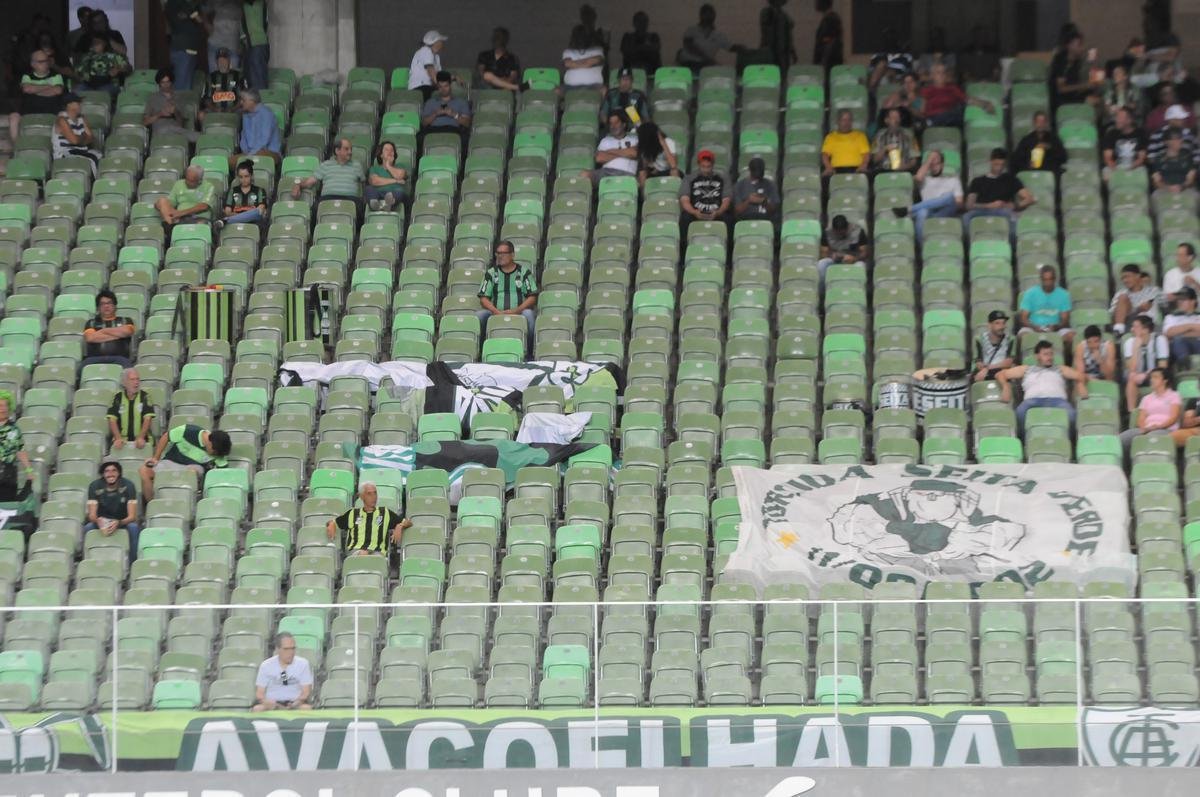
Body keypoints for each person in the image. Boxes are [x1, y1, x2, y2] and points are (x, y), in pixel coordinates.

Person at [997, 340, 1088, 435]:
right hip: (1032, 401)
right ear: (1037, 356)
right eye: (1046, 354)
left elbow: (1081, 376)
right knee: (1020, 413)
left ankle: (1069, 443)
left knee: (1071, 415)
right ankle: (1025, 442)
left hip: (1057, 401)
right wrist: (1005, 386)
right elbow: (1000, 374)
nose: (1050, 357)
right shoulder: (1026, 369)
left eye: (1051, 354)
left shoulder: (1060, 368)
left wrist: (1080, 384)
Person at [140, 424, 231, 500]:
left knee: (192, 472)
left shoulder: (218, 450)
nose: (215, 455)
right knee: (144, 471)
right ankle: (153, 504)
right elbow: (166, 436)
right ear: (210, 444)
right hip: (170, 462)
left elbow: (223, 471)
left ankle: (181, 504)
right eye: (214, 452)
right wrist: (156, 458)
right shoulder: (188, 431)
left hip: (193, 467)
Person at [963, 148, 1035, 243]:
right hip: (981, 211)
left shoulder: (1011, 180)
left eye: (1002, 165)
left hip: (1002, 210)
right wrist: (988, 206)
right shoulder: (977, 181)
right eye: (996, 164)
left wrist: (1014, 205)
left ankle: (1011, 249)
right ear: (991, 161)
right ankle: (970, 248)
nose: (999, 168)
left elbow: (1029, 199)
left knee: (1013, 218)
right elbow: (969, 205)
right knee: (966, 217)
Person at [894, 150, 963, 242]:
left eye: (937, 163)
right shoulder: (925, 180)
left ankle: (909, 209)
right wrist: (929, 159)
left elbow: (959, 202)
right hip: (929, 213)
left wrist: (942, 201)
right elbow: (918, 177)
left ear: (942, 164)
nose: (934, 166)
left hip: (945, 211)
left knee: (949, 196)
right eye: (932, 164)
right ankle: (922, 248)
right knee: (922, 212)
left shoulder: (953, 180)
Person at [476, 240, 538, 343]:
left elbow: (532, 297)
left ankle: (530, 353)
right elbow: (483, 298)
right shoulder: (491, 273)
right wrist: (496, 312)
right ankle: (482, 349)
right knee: (480, 315)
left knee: (529, 314)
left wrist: (517, 310)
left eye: (503, 253)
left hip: (519, 313)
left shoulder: (524, 272)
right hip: (495, 313)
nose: (500, 256)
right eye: (498, 253)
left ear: (512, 255)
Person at [326, 482, 411, 556]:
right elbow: (334, 522)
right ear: (361, 496)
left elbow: (409, 523)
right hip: (356, 551)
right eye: (369, 494)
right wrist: (331, 524)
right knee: (363, 554)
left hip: (378, 552)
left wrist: (400, 525)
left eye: (375, 493)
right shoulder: (352, 513)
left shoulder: (385, 512)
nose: (373, 497)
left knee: (373, 559)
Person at [291, 138, 365, 219]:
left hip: (351, 200)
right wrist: (298, 185)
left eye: (351, 149)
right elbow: (309, 182)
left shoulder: (357, 165)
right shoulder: (325, 165)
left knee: (360, 210)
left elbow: (364, 184)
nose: (350, 152)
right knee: (315, 209)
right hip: (327, 199)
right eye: (346, 149)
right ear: (337, 151)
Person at [84, 462, 140, 563]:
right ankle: (87, 561)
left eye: (114, 470)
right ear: (102, 474)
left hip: (122, 521)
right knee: (88, 527)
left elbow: (132, 516)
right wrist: (98, 521)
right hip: (102, 522)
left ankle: (133, 563)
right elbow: (91, 515)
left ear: (119, 473)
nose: (110, 474)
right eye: (107, 471)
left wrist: (119, 522)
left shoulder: (129, 485)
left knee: (134, 528)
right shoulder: (94, 486)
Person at [1120, 368, 1181, 449]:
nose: (1152, 380)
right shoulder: (1146, 398)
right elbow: (1141, 418)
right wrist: (1145, 428)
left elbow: (1174, 417)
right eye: (1151, 377)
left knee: (1148, 438)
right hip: (1146, 428)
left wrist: (1159, 426)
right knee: (1120, 439)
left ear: (1165, 380)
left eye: (1155, 377)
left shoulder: (1174, 396)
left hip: (1166, 429)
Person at [919, 62, 995, 127]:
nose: (942, 75)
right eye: (938, 72)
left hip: (952, 119)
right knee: (959, 110)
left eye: (944, 72)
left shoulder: (952, 88)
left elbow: (967, 100)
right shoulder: (926, 90)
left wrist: (984, 104)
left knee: (962, 109)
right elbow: (922, 110)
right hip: (934, 118)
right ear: (932, 76)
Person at [253, 633, 314, 711]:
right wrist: (269, 703)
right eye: (286, 649)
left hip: (295, 703)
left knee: (306, 709)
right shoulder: (266, 665)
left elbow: (306, 692)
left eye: (293, 648)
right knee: (257, 709)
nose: (291, 652)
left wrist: (296, 703)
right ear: (278, 649)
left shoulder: (303, 664)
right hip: (272, 704)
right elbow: (259, 694)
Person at [1018, 265, 1073, 346]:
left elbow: (1065, 320)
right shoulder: (1030, 293)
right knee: (1023, 336)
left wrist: (1055, 327)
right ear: (1041, 279)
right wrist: (1034, 327)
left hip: (1056, 329)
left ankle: (1066, 358)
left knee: (1071, 336)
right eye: (1045, 280)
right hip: (1033, 328)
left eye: (1050, 280)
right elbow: (1023, 318)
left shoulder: (1064, 295)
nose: (1048, 283)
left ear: (1054, 279)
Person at [679, 149, 731, 234]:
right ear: (698, 164)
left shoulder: (723, 179)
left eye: (708, 167)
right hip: (696, 212)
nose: (706, 170)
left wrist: (718, 212)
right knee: (685, 218)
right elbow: (684, 199)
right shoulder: (689, 179)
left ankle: (728, 246)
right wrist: (694, 212)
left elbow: (726, 200)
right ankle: (684, 246)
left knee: (728, 218)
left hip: (716, 212)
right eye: (703, 166)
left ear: (713, 165)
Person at [1123, 315, 1169, 411]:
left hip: (1156, 373)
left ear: (1145, 330)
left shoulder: (1160, 340)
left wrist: (1147, 375)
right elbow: (1131, 368)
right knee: (1131, 377)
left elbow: (1163, 366)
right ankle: (1131, 412)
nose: (1132, 330)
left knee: (1160, 377)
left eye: (1135, 327)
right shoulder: (1129, 342)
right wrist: (1136, 349)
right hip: (1135, 376)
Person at [677, 4, 738, 73]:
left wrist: (742, 49)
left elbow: (730, 47)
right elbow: (689, 46)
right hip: (688, 63)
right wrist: (707, 58)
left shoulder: (719, 35)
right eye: (706, 14)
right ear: (700, 15)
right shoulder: (691, 30)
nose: (708, 17)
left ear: (714, 16)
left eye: (710, 14)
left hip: (706, 65)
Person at [82, 290, 135, 369]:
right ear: (98, 308)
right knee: (82, 370)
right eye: (102, 304)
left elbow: (127, 331)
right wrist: (118, 335)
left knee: (129, 370)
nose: (106, 306)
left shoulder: (126, 320)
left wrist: (103, 331)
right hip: (94, 359)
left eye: (109, 303)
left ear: (115, 306)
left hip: (120, 358)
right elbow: (90, 338)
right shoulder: (91, 323)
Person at [142, 68, 198, 143]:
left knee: (197, 137)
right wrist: (160, 114)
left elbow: (181, 123)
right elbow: (145, 122)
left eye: (167, 82)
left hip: (176, 130)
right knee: (171, 132)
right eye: (163, 82)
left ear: (171, 82)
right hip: (160, 130)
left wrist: (175, 112)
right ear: (159, 84)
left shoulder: (178, 97)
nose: (165, 85)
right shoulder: (153, 98)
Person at [420, 71, 472, 151]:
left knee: (466, 139)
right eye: (440, 87)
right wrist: (435, 114)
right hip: (434, 130)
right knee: (420, 137)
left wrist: (453, 114)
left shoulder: (461, 102)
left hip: (453, 130)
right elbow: (424, 123)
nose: (443, 89)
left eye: (446, 86)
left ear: (450, 86)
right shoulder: (430, 102)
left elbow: (467, 123)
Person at [1049, 28, 1100, 109]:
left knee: (1096, 97)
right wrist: (1084, 86)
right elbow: (1061, 89)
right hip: (1060, 99)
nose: (1082, 48)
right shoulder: (1060, 60)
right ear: (1070, 45)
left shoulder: (1077, 61)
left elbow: (1076, 84)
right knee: (1091, 100)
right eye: (1079, 44)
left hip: (1072, 96)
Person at [1151, 128, 1198, 215]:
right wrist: (1168, 188)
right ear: (1167, 142)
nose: (1179, 141)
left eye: (1180, 138)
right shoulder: (1158, 159)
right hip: (1164, 189)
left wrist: (1181, 186)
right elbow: (1156, 181)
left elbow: (1191, 178)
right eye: (1175, 139)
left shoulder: (1187, 156)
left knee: (1195, 196)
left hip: (1184, 188)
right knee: (1155, 196)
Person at [52, 94, 101, 177]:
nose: (80, 105)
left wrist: (80, 139)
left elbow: (91, 138)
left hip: (81, 151)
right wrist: (83, 138)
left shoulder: (82, 118)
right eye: (78, 103)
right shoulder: (62, 120)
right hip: (65, 152)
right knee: (89, 160)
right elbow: (74, 140)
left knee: (99, 156)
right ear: (69, 105)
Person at [107, 368, 155, 451]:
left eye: (137, 379)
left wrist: (141, 437)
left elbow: (148, 419)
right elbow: (112, 420)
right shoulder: (117, 397)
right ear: (124, 382)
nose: (136, 382)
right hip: (122, 439)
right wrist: (118, 438)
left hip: (143, 440)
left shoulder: (145, 396)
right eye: (132, 379)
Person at [231, 88, 281, 167]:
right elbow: (244, 138)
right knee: (229, 161)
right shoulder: (245, 115)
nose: (241, 102)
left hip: (269, 152)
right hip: (250, 153)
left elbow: (264, 141)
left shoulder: (266, 114)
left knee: (259, 155)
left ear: (252, 101)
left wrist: (250, 155)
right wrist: (246, 153)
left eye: (243, 100)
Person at [584, 111, 638, 184]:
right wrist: (626, 152)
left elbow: (635, 154)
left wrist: (608, 152)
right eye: (611, 123)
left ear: (624, 124)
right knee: (585, 174)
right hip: (605, 172)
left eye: (616, 123)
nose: (613, 126)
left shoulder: (634, 139)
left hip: (626, 173)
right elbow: (599, 158)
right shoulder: (605, 140)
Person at [0, 391, 34, 501]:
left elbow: (20, 450)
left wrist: (28, 470)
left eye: (6, 405)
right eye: (0, 406)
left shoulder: (15, 429)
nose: (3, 409)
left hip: (8, 475)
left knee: (7, 506)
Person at [816, 214, 870, 283]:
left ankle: (858, 288)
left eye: (842, 233)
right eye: (837, 233)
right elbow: (823, 253)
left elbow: (864, 252)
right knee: (821, 264)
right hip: (835, 260)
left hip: (853, 260)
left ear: (847, 227)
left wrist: (854, 258)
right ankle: (823, 290)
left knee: (860, 265)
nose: (840, 235)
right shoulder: (827, 233)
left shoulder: (858, 232)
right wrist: (832, 256)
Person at [165, 0, 205, 91]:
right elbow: (199, 19)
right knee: (182, 86)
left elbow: (197, 18)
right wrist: (192, 15)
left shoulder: (184, 4)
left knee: (185, 83)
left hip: (186, 49)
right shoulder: (177, 3)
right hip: (183, 49)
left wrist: (190, 15)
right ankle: (178, 105)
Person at [1111, 264, 1160, 333]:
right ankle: (1119, 332)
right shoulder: (1120, 294)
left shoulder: (1153, 291)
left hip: (1150, 325)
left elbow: (1166, 305)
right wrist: (1138, 310)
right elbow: (1113, 316)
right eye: (1123, 278)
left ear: (1138, 276)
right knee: (1122, 297)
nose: (1125, 280)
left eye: (1128, 277)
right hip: (1130, 325)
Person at [1102, 106, 1148, 180]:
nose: (1116, 120)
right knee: (1106, 173)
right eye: (1116, 117)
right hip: (1116, 166)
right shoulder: (1111, 133)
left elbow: (1141, 158)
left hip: (1134, 166)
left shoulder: (1140, 134)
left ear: (1129, 120)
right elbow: (1107, 158)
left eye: (1120, 118)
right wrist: (1117, 170)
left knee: (1143, 172)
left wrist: (1129, 169)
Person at [200, 47, 245, 120]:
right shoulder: (210, 77)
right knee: (201, 115)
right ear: (216, 62)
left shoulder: (238, 76)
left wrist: (232, 109)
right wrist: (214, 109)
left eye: (224, 60)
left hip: (235, 110)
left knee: (246, 114)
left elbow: (243, 98)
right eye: (220, 61)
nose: (222, 63)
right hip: (214, 110)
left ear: (229, 61)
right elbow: (206, 99)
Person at [220, 159, 269, 226]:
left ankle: (225, 221)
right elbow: (227, 212)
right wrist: (244, 217)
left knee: (257, 211)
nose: (244, 180)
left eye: (246, 176)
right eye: (241, 177)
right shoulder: (232, 191)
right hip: (235, 223)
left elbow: (261, 210)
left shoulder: (259, 190)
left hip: (253, 222)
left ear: (251, 176)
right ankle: (230, 220)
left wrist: (237, 216)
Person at [821, 109, 870, 176]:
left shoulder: (860, 136)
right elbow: (825, 154)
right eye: (843, 120)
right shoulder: (830, 137)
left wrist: (864, 165)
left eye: (849, 120)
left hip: (856, 170)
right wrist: (828, 167)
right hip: (836, 170)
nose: (847, 123)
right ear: (838, 121)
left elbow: (866, 154)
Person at [732, 156, 780, 224]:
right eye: (755, 171)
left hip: (766, 219)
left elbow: (773, 210)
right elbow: (737, 211)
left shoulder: (770, 185)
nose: (757, 174)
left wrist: (764, 202)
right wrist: (749, 201)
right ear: (750, 170)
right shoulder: (740, 185)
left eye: (760, 171)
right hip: (746, 219)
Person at [475, 27, 523, 92]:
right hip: (487, 87)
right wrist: (496, 80)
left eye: (500, 38)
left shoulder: (512, 58)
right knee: (487, 76)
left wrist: (498, 82)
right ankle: (516, 87)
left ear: (505, 40)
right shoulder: (484, 55)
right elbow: (481, 74)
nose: (497, 40)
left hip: (505, 88)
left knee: (507, 89)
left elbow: (513, 77)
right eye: (496, 37)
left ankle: (510, 89)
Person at [871, 107, 919, 172]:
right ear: (886, 120)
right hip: (883, 171)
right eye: (893, 118)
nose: (896, 120)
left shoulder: (909, 134)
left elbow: (914, 160)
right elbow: (874, 160)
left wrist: (905, 166)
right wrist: (885, 149)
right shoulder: (879, 135)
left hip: (903, 171)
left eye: (898, 117)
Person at [365, 141, 408, 211]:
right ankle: (376, 206)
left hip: (393, 193)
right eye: (386, 150)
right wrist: (396, 181)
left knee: (400, 191)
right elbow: (374, 181)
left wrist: (388, 166)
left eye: (392, 150)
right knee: (369, 189)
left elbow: (399, 176)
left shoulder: (400, 166)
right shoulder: (374, 168)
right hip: (378, 193)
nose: (390, 152)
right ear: (381, 155)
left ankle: (388, 204)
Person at [973, 310, 1015, 381]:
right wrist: (982, 369)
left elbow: (1008, 362)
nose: (1002, 326)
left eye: (1003, 323)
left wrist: (987, 368)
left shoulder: (1010, 339)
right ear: (989, 325)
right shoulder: (979, 339)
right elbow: (978, 362)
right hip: (985, 373)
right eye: (997, 323)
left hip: (1002, 371)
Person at [20, 50, 65, 116]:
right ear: (32, 64)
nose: (45, 63)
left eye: (46, 60)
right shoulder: (27, 76)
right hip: (31, 112)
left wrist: (35, 91)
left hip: (52, 112)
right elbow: (27, 89)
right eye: (41, 61)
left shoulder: (56, 75)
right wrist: (48, 86)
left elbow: (58, 91)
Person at [1163, 287, 1200, 364]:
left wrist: (1179, 332)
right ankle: (1185, 368)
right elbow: (1168, 332)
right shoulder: (1171, 316)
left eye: (1184, 299)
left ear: (1193, 301)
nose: (1180, 302)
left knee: (1178, 338)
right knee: (1178, 340)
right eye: (1179, 299)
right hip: (1178, 348)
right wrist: (1191, 326)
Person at [634, 122, 678, 187]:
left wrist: (663, 143)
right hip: (654, 173)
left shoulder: (669, 142)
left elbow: (673, 164)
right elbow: (643, 166)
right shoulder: (645, 145)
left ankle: (674, 191)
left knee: (674, 171)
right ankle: (645, 195)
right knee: (642, 173)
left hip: (667, 172)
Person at [562, 24, 605, 91]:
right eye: (578, 36)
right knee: (557, 91)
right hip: (570, 86)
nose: (581, 38)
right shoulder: (568, 51)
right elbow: (568, 64)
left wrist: (574, 63)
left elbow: (592, 62)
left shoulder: (597, 50)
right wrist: (587, 62)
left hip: (594, 86)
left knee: (603, 90)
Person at [408, 30, 448, 100]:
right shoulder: (425, 50)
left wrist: (454, 78)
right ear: (435, 43)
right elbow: (431, 71)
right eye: (440, 41)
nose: (442, 44)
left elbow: (438, 75)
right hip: (419, 88)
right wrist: (442, 87)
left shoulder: (436, 57)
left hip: (428, 87)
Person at [205, 0, 244, 72]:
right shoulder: (216, 2)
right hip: (215, 43)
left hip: (233, 46)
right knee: (214, 75)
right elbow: (204, 10)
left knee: (232, 77)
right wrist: (207, 24)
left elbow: (244, 27)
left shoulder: (240, 4)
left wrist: (242, 45)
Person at [759, 0, 796, 70]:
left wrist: (792, 50)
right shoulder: (767, 12)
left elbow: (788, 35)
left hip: (784, 51)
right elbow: (766, 32)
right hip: (771, 51)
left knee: (783, 73)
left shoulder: (784, 15)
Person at [241, 0, 270, 90]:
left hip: (258, 43)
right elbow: (243, 24)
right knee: (252, 77)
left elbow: (265, 24)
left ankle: (260, 101)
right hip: (254, 44)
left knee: (258, 81)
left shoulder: (259, 4)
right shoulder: (246, 5)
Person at [1161, 243, 1200, 307]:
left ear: (1190, 257)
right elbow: (1166, 299)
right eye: (1176, 255)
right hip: (1176, 314)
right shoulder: (1170, 274)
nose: (1177, 258)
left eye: (1180, 255)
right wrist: (1178, 296)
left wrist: (1195, 283)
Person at [812, 0, 843, 70]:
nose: (816, 3)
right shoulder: (829, 19)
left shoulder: (830, 19)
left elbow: (829, 43)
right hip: (827, 63)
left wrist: (823, 62)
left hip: (828, 64)